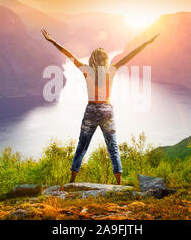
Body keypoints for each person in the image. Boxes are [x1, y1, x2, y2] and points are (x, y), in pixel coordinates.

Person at [41, 28, 159, 185]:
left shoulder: (86, 70)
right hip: (107, 110)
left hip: (91, 110)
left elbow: (69, 55)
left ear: (92, 59)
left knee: (82, 145)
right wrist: (147, 42)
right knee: (113, 147)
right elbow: (130, 55)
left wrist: (52, 41)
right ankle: (119, 183)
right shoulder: (112, 70)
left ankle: (72, 180)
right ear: (105, 59)